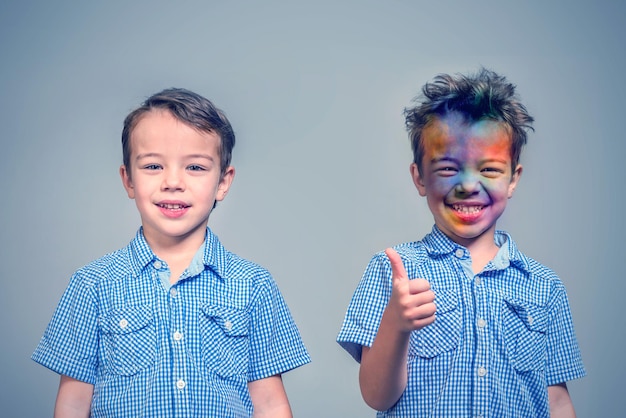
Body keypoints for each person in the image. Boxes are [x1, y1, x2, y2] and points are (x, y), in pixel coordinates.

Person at [33, 88, 310, 417]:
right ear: (129, 180)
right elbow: (73, 403)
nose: (173, 182)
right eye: (153, 166)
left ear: (223, 181)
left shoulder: (253, 285)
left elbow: (270, 404)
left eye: (195, 167)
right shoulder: (91, 285)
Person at [337, 69, 585, 417]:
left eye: (489, 170)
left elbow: (556, 401)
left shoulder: (545, 288)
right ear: (419, 177)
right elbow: (376, 396)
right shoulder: (393, 273)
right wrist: (396, 322)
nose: (469, 185)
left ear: (513, 179)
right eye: (448, 168)